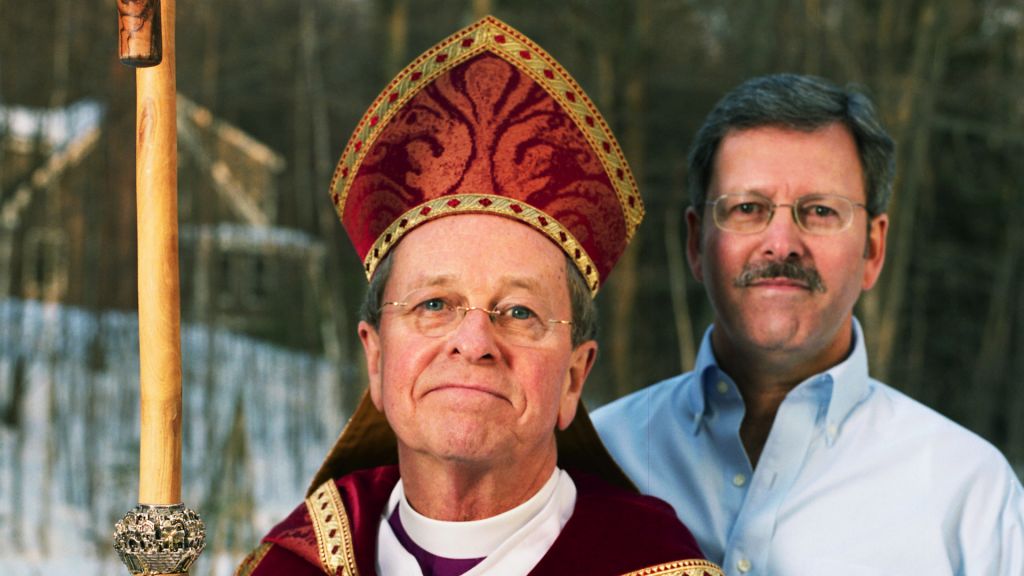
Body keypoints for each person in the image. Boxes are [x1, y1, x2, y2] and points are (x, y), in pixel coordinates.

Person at [235, 16, 723, 576]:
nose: (473, 342)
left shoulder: (652, 563)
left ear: (573, 378)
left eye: (519, 311)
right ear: (375, 356)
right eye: (434, 305)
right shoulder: (290, 566)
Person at [592, 73, 1024, 575]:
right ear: (696, 244)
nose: (781, 242)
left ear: (873, 249)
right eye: (748, 209)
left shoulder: (970, 495)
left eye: (819, 211)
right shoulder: (593, 463)